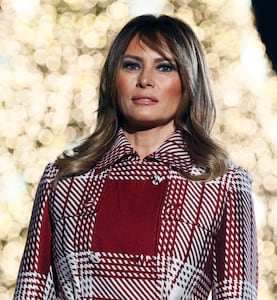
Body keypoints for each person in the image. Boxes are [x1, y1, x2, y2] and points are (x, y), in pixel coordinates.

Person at [14, 14, 258, 299]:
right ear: (113, 78)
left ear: (189, 81)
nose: (145, 80)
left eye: (164, 67)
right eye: (131, 65)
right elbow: (32, 290)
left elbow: (236, 294)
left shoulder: (222, 183)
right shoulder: (65, 179)